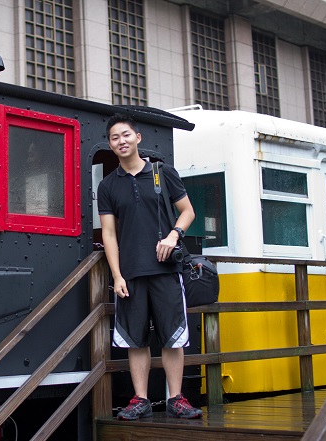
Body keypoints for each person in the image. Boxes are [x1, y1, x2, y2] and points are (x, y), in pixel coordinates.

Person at [97, 113, 203, 420]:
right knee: (135, 339)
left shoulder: (162, 172)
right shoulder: (108, 186)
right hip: (130, 274)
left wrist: (174, 235)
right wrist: (116, 275)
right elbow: (109, 234)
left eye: (126, 135)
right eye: (115, 137)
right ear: (110, 144)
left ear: (138, 137)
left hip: (167, 270)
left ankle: (176, 398)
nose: (122, 141)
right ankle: (140, 400)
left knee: (173, 336)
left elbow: (187, 211)